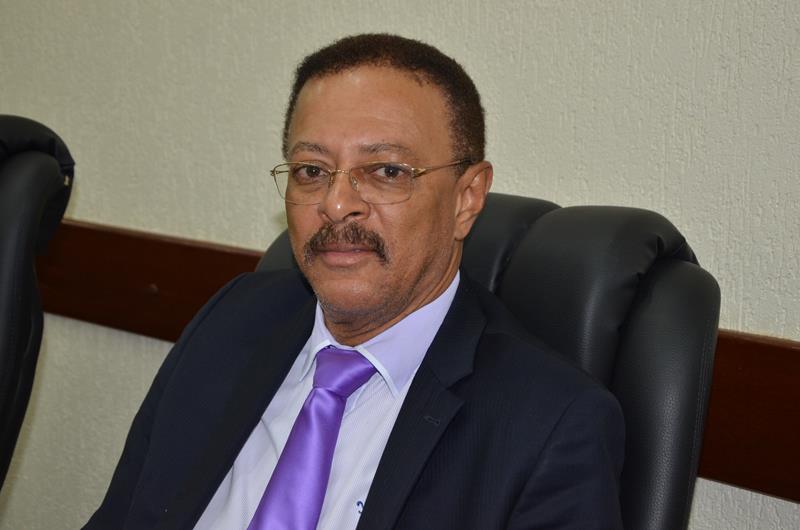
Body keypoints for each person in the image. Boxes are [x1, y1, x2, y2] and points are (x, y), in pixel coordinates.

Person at [85, 34, 624, 530]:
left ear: (467, 199)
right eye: (311, 171)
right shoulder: (230, 321)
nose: (336, 204)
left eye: (387, 171)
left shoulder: (551, 424)